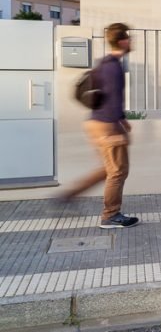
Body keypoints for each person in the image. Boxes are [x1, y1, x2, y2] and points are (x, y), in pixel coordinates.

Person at [61, 22, 139, 229]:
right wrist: (119, 127)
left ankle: (68, 195)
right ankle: (110, 215)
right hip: (106, 125)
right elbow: (113, 100)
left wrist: (122, 119)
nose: (132, 41)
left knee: (108, 169)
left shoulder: (104, 63)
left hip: (95, 123)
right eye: (129, 38)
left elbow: (108, 97)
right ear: (122, 41)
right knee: (118, 172)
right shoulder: (113, 67)